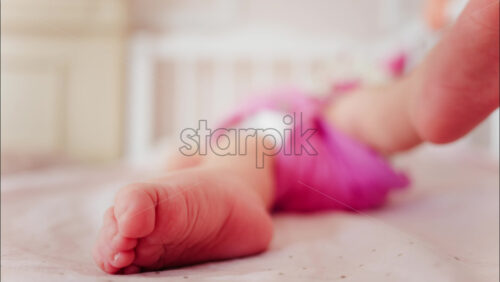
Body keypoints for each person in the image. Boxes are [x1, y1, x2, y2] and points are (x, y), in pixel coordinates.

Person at [93, 0, 499, 274]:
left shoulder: (233, 127)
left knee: (352, 115)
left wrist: (184, 158)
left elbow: (176, 157)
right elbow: (177, 158)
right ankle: (419, 101)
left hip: (325, 140)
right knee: (364, 116)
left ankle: (425, 98)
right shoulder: (238, 132)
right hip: (329, 147)